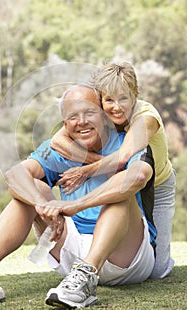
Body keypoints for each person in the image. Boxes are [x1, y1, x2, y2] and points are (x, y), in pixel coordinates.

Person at [0, 85, 155, 309]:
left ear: (104, 116)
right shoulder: (57, 150)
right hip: (73, 253)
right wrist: (42, 205)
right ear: (64, 124)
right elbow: (15, 175)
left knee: (120, 193)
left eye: (89, 113)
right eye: (73, 116)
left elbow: (138, 176)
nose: (81, 122)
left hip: (126, 256)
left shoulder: (126, 143)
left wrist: (75, 205)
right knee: (32, 190)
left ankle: (88, 274)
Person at [51, 61, 176, 280]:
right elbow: (57, 140)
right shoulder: (101, 112)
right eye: (109, 100)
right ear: (101, 99)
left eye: (123, 98)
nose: (116, 107)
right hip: (128, 180)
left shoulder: (146, 116)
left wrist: (85, 171)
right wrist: (97, 161)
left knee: (157, 272)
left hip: (157, 186)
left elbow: (124, 157)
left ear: (135, 95)